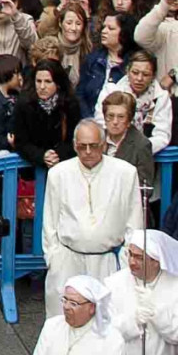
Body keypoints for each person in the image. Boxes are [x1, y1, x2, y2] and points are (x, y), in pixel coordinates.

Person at [43, 118, 144, 315]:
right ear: (75, 145)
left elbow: (135, 223)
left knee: (111, 320)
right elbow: (50, 222)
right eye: (82, 146)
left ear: (104, 144)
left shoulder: (125, 173)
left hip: (109, 262)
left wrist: (126, 261)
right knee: (64, 320)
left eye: (93, 146)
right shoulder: (58, 173)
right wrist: (53, 259)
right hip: (67, 261)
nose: (88, 152)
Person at [33, 275, 125, 355]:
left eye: (73, 303)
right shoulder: (52, 326)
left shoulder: (111, 339)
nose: (66, 307)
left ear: (92, 308)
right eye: (65, 300)